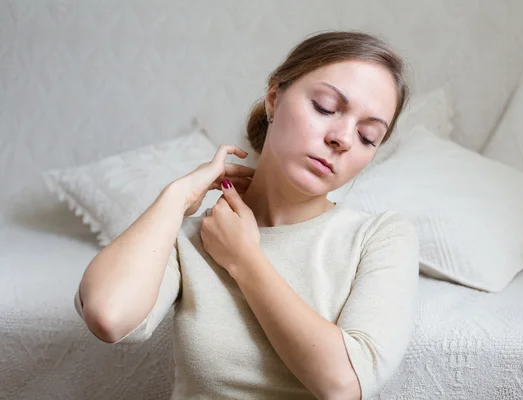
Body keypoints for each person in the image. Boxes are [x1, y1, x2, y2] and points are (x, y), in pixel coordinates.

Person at [74, 31, 419, 400]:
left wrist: (245, 260)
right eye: (324, 106)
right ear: (274, 99)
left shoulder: (381, 237)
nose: (343, 138)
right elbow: (107, 315)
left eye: (367, 136)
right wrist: (176, 198)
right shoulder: (196, 235)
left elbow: (344, 384)